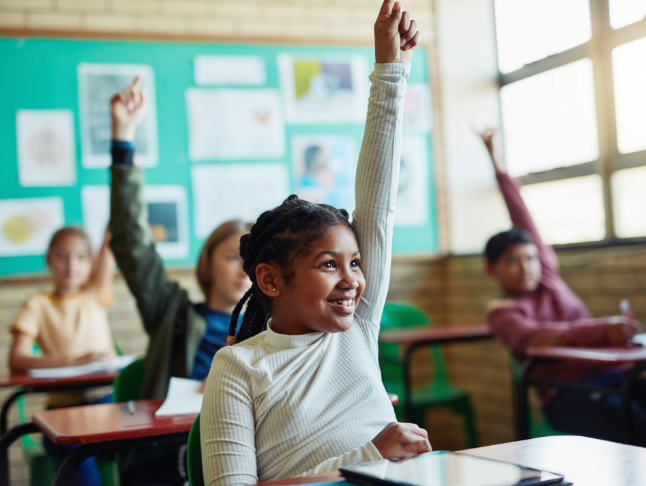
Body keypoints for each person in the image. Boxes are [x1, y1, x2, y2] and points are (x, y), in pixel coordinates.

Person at [200, 3, 430, 486]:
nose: (352, 280)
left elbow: (378, 204)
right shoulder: (238, 366)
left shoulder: (357, 330)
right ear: (271, 278)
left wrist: (392, 71)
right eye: (329, 264)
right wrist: (371, 455)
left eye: (356, 262)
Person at [108, 77, 251, 485]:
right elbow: (131, 241)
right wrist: (124, 138)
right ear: (207, 264)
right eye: (231, 257)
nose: (244, 270)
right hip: (168, 458)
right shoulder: (172, 314)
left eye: (253, 261)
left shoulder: (273, 328)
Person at [479, 129, 646, 446]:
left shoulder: (547, 277)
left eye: (530, 258)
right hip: (568, 394)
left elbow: (523, 219)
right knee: (638, 427)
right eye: (513, 260)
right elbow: (538, 337)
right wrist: (601, 331)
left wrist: (498, 166)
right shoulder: (503, 314)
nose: (526, 267)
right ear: (492, 269)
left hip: (615, 376)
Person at [9, 226, 116, 486]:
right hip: (63, 413)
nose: (72, 264)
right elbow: (17, 360)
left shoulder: (95, 292)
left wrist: (111, 232)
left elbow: (110, 242)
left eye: (81, 257)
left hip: (108, 406)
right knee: (83, 471)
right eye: (62, 256)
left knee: (145, 453)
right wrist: (77, 360)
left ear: (91, 263)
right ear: (49, 259)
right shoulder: (37, 303)